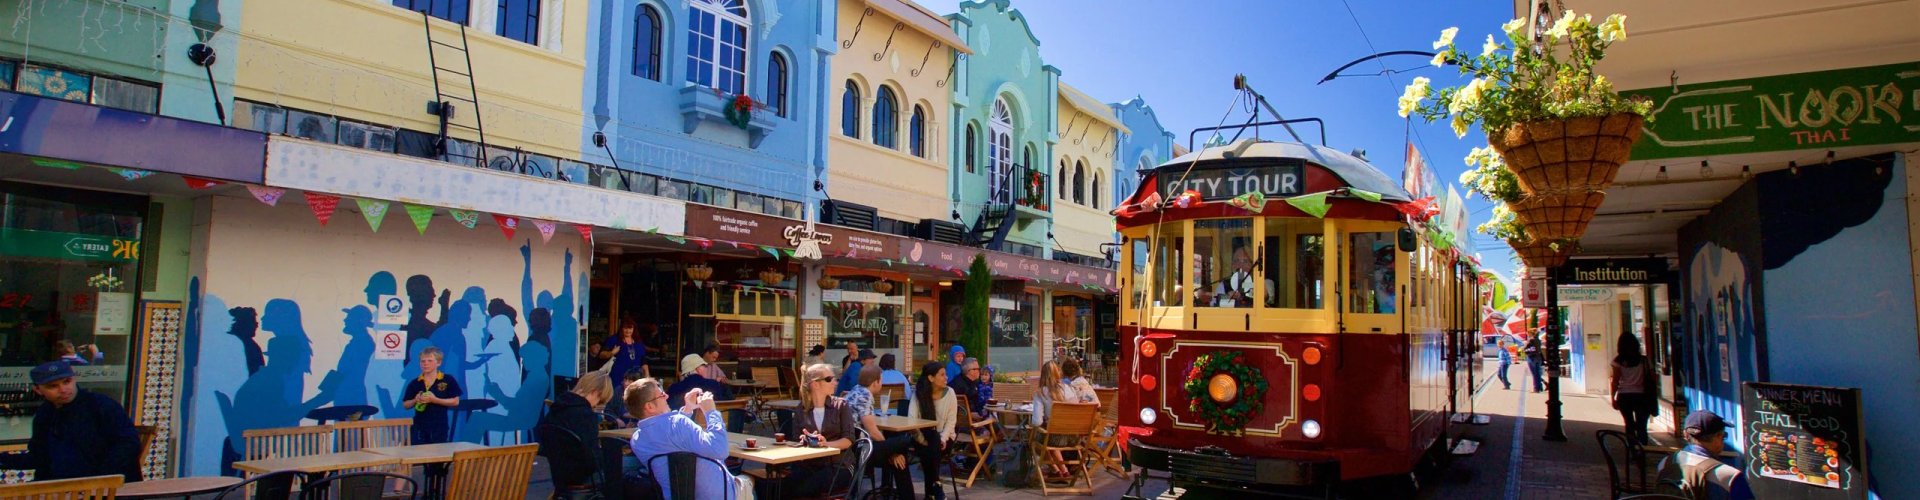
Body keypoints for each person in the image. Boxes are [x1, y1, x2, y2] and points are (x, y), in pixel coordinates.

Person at [0, 362, 141, 482]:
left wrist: (97, 480)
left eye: (67, 382)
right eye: (53, 386)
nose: (63, 390)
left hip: (107, 487)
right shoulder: (45, 413)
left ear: (74, 379)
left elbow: (128, 445)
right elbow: (40, 457)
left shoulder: (101, 405)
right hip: (63, 487)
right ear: (37, 389)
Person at [626, 378, 755, 500]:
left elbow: (671, 437)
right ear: (650, 407)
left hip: (677, 496)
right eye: (661, 395)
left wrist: (687, 409)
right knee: (751, 480)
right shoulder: (678, 424)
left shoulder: (637, 441)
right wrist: (711, 412)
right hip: (721, 495)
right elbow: (720, 450)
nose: (667, 396)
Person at [783, 363, 861, 497]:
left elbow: (848, 440)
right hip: (811, 465)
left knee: (802, 490)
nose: (835, 382)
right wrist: (804, 440)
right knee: (780, 486)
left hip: (839, 465)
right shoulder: (802, 409)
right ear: (815, 384)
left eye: (835, 379)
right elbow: (795, 440)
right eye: (829, 379)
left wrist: (826, 444)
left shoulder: (841, 405)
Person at [539, 369, 614, 497]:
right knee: (623, 468)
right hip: (581, 476)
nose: (597, 405)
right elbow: (592, 459)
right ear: (595, 392)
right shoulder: (586, 415)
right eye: (600, 400)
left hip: (557, 474)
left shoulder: (556, 409)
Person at [846, 365, 914, 499]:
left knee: (899, 457)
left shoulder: (855, 390)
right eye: (881, 380)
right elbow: (872, 431)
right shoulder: (865, 395)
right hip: (861, 449)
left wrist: (892, 453)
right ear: (875, 382)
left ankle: (891, 488)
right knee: (905, 441)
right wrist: (890, 452)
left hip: (856, 445)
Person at [1656, 410, 1754, 500]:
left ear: (1685, 435)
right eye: (1724, 435)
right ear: (1718, 436)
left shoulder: (1665, 464)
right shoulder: (1730, 476)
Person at [907, 362, 956, 500]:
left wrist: (943, 438)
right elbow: (911, 420)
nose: (946, 378)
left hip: (945, 438)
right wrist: (922, 440)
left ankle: (931, 492)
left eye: (946, 374)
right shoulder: (919, 394)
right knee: (931, 444)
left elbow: (951, 421)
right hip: (921, 436)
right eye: (942, 375)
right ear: (931, 378)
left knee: (932, 445)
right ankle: (936, 486)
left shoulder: (950, 393)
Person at [401, 346, 463, 444]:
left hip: (439, 426)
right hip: (419, 426)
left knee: (437, 451)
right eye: (423, 361)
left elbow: (455, 401)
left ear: (438, 362)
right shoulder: (415, 382)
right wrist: (415, 400)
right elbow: (406, 405)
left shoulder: (447, 380)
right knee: (414, 451)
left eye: (429, 361)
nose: (425, 364)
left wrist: (434, 400)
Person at [1610, 333, 1657, 445]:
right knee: (1642, 426)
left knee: (1629, 424)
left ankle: (1632, 449)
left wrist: (1613, 398)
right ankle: (1643, 448)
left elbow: (1615, 381)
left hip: (1624, 396)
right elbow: (1653, 378)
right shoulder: (1644, 360)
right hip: (1642, 396)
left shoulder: (1617, 361)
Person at [1030, 360, 1075, 478]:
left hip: (1055, 438)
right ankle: (1063, 471)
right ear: (1058, 372)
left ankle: (1055, 470)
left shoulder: (1041, 393)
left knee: (1034, 439)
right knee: (1051, 435)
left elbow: (1037, 422)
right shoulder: (1069, 389)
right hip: (1073, 437)